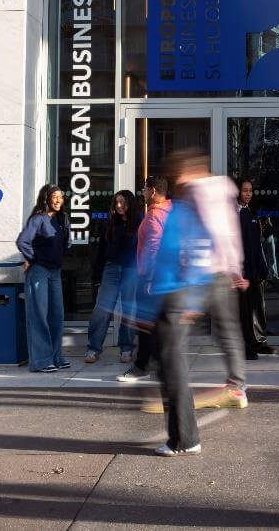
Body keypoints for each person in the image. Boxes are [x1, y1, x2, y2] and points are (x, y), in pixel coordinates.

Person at [145, 149, 249, 456]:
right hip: (210, 276)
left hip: (195, 281)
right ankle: (235, 384)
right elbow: (228, 235)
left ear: (191, 172)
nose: (179, 180)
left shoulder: (198, 196)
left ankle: (184, 438)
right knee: (225, 330)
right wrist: (234, 268)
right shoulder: (217, 193)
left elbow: (209, 237)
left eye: (181, 175)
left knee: (172, 357)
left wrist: (192, 295)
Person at [117, 176, 171, 383]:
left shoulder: (154, 215)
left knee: (145, 323)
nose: (143, 193)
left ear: (154, 192)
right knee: (155, 323)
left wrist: (148, 277)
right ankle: (159, 364)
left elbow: (154, 247)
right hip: (165, 277)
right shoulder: (170, 210)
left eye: (145, 190)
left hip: (151, 277)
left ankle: (142, 366)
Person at [16, 184, 71, 373]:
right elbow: (22, 241)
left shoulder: (63, 219)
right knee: (39, 315)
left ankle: (56, 357)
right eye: (55, 196)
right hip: (38, 271)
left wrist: (58, 256)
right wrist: (33, 259)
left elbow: (66, 243)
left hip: (55, 271)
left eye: (61, 197)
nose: (58, 200)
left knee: (57, 315)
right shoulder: (38, 219)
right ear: (46, 198)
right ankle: (41, 360)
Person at [84, 190, 141, 365]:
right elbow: (101, 251)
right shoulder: (109, 223)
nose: (119, 206)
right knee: (102, 309)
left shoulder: (139, 222)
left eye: (122, 202)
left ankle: (126, 348)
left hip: (132, 270)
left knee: (129, 310)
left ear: (129, 203)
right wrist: (96, 274)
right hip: (111, 269)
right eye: (116, 202)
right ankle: (93, 348)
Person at [237, 179, 274, 359]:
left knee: (256, 307)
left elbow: (257, 245)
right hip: (241, 270)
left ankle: (258, 342)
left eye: (250, 191)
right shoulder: (234, 214)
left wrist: (261, 268)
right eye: (245, 191)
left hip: (254, 269)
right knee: (244, 310)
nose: (248, 194)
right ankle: (247, 346)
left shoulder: (251, 212)